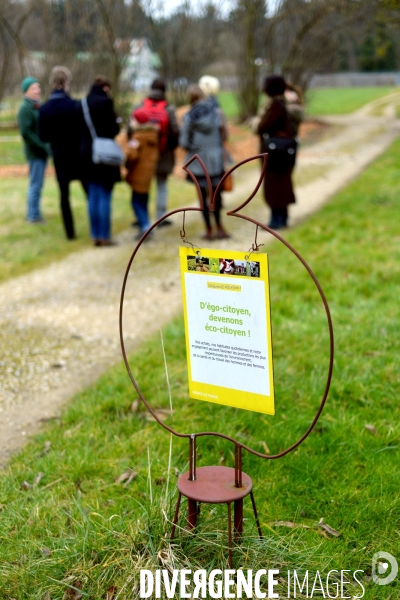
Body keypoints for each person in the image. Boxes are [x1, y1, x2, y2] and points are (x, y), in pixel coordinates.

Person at [39, 66, 86, 240]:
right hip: (77, 154)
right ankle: (97, 227)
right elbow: (83, 130)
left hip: (59, 155)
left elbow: (42, 136)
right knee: (88, 190)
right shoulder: (75, 105)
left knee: (64, 195)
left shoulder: (44, 109)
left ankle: (70, 233)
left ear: (52, 83)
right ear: (66, 83)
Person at [179, 84, 230, 241]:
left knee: (202, 197)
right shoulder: (217, 113)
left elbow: (183, 142)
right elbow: (225, 135)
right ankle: (220, 227)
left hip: (197, 162)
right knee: (216, 195)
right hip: (216, 160)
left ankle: (209, 230)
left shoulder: (188, 117)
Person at [80, 76, 121, 246]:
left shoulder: (82, 103)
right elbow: (113, 129)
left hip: (86, 154)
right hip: (104, 155)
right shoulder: (106, 103)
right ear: (105, 87)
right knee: (104, 194)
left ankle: (95, 234)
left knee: (92, 195)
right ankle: (104, 235)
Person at [135, 78, 179, 225]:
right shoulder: (169, 109)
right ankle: (160, 218)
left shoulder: (140, 106)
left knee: (142, 185)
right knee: (161, 186)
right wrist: (170, 148)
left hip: (143, 155)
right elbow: (175, 132)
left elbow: (131, 129)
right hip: (163, 153)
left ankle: (142, 218)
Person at [256, 75, 297, 230]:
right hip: (284, 150)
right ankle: (283, 216)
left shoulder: (275, 106)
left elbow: (263, 126)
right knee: (283, 181)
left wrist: (259, 124)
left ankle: (276, 218)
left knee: (274, 184)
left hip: (274, 152)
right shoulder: (285, 103)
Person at [123, 109, 159, 240]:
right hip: (148, 173)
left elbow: (132, 156)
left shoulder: (137, 137)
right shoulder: (153, 134)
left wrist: (126, 152)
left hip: (139, 173)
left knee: (136, 202)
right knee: (143, 200)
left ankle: (145, 227)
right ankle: (145, 225)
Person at [17, 76, 49, 223]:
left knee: (37, 184)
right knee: (35, 185)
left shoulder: (37, 105)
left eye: (38, 87)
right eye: (33, 88)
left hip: (41, 152)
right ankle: (33, 216)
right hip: (35, 153)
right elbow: (26, 133)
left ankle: (32, 211)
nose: (37, 90)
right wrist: (42, 145)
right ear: (26, 91)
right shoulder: (25, 108)